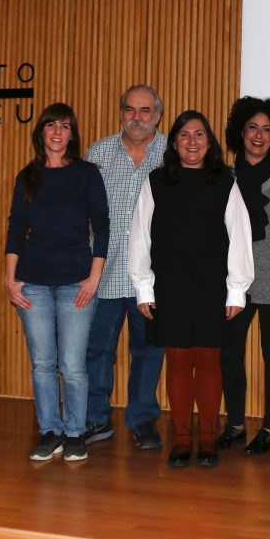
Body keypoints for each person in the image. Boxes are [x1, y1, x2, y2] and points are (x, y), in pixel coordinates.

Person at [128, 110, 254, 468]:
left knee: (210, 360)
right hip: (170, 285)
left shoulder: (225, 181)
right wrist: (143, 288)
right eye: (184, 135)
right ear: (174, 142)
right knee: (179, 361)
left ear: (209, 142)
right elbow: (140, 237)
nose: (192, 142)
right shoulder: (155, 181)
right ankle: (183, 439)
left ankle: (209, 440)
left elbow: (240, 238)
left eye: (199, 135)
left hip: (213, 285)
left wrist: (236, 290)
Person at [5, 102, 109, 462]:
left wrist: (94, 278)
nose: (57, 132)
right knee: (42, 364)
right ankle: (50, 431)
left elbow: (103, 225)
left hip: (76, 283)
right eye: (51, 124)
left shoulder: (87, 174)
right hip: (32, 282)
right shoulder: (28, 176)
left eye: (65, 126)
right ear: (41, 131)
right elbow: (16, 228)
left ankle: (75, 432)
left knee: (73, 365)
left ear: (72, 134)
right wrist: (11, 278)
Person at [83, 85, 167, 451]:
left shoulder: (172, 153)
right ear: (121, 113)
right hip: (103, 274)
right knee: (97, 350)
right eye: (130, 110)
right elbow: (82, 215)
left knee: (148, 352)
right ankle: (96, 418)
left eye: (145, 111)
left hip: (152, 278)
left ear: (158, 116)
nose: (137, 117)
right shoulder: (98, 153)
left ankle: (143, 419)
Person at [215, 96, 270, 456]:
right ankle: (234, 424)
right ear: (240, 131)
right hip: (234, 279)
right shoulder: (221, 176)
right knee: (230, 353)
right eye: (252, 127)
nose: (259, 135)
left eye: (267, 129)